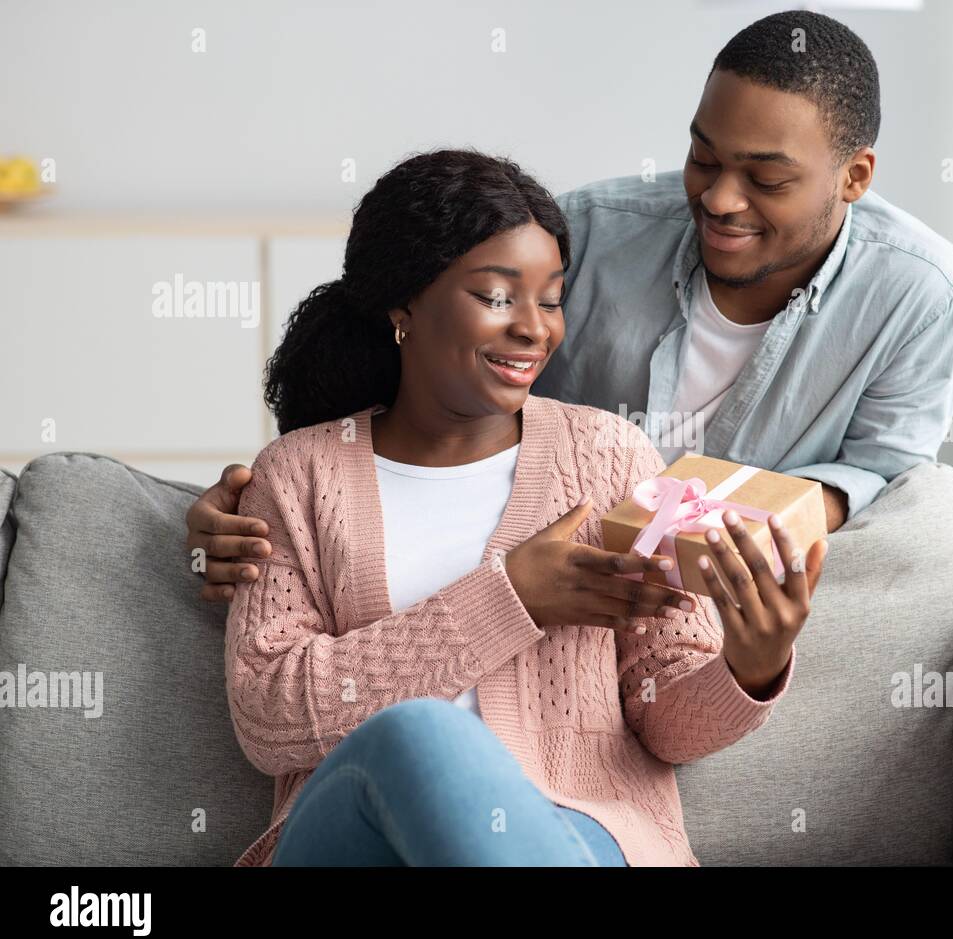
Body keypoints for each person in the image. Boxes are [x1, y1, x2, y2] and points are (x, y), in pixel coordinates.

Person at [187, 10, 953, 602]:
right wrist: (268, 501)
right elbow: (426, 378)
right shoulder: (591, 230)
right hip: (512, 571)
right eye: (703, 156)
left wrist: (794, 512)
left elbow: (881, 470)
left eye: (766, 180)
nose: (720, 199)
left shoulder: (920, 296)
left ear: (855, 176)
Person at [225, 149, 827, 867]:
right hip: (357, 841)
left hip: (578, 837)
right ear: (404, 302)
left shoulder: (609, 456)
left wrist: (750, 666)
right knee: (417, 736)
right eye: (497, 296)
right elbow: (268, 713)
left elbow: (666, 725)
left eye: (550, 299)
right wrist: (514, 598)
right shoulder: (298, 475)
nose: (534, 329)